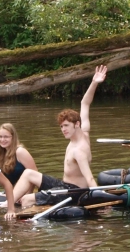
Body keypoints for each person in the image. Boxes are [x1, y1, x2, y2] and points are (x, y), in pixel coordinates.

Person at [15, 65, 107, 207]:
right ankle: (7, 204)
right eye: (61, 127)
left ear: (76, 124)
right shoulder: (84, 131)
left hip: (74, 192)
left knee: (27, 199)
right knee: (28, 173)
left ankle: (20, 220)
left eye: (66, 126)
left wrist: (100, 202)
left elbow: (89, 178)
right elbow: (85, 103)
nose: (63, 130)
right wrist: (94, 82)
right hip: (64, 185)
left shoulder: (79, 150)